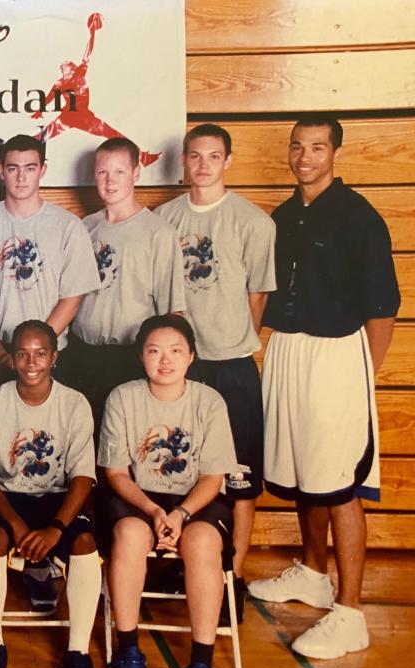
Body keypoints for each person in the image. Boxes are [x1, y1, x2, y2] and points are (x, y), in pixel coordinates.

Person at [247, 116, 399, 659]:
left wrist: (365, 375)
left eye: (317, 147)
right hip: (288, 350)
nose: (305, 157)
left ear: (335, 153)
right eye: (297, 147)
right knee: (304, 472)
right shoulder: (284, 217)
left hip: (338, 354)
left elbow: (384, 307)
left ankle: (351, 612)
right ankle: (313, 573)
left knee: (338, 483)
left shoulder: (359, 216)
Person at [156, 124, 276, 620]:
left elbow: (258, 296)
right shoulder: (163, 219)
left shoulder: (253, 222)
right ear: (183, 161)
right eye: (195, 156)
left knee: (237, 476)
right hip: (181, 367)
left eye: (213, 156)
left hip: (230, 365)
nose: (203, 164)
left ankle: (233, 577)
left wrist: (232, 343)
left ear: (227, 160)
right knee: (175, 464)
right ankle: (177, 566)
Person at [99, 314, 237, 668]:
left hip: (195, 500)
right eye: (155, 351)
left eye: (175, 351)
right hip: (139, 498)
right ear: (141, 355)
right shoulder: (123, 397)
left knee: (202, 542)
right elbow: (116, 474)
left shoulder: (209, 401)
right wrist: (155, 511)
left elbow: (214, 477)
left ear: (191, 357)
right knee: (128, 534)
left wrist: (180, 513)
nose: (165, 361)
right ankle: (128, 651)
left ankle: (201, 665)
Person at [0, 320, 101, 668]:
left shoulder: (74, 403)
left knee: (84, 542)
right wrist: (17, 524)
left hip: (56, 499)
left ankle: (78, 655)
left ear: (54, 358)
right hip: (7, 499)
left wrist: (56, 528)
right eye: (23, 354)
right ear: (11, 359)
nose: (31, 362)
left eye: (40, 353)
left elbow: (82, 477)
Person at [0, 133, 99, 397]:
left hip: (51, 357)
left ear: (42, 170)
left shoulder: (68, 226)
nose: (21, 177)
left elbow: (71, 298)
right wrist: (0, 353)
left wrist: (36, 352)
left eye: (30, 168)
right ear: (1, 171)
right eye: (13, 168)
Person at [66, 136, 185, 426]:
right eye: (102, 172)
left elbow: (173, 313)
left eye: (119, 172)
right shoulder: (85, 228)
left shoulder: (158, 233)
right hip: (83, 353)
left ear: (136, 173)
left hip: (129, 356)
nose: (109, 181)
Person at [31, 12, 160, 167]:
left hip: (85, 117)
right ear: (62, 70)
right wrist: (39, 111)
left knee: (114, 135)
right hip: (68, 117)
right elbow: (49, 97)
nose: (69, 66)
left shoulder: (79, 72)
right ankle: (2, 160)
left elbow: (88, 51)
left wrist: (92, 32)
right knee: (40, 137)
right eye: (66, 66)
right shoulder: (60, 83)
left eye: (70, 64)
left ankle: (143, 157)